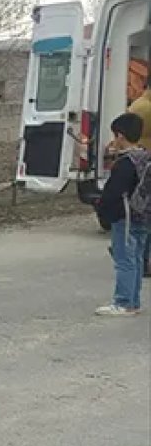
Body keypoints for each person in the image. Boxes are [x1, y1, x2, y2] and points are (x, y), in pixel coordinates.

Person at [95, 113, 149, 316]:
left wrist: (104, 211)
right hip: (143, 214)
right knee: (136, 258)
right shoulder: (145, 157)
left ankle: (124, 301)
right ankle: (133, 300)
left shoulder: (125, 163)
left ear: (120, 136)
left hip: (125, 216)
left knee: (124, 258)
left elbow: (113, 192)